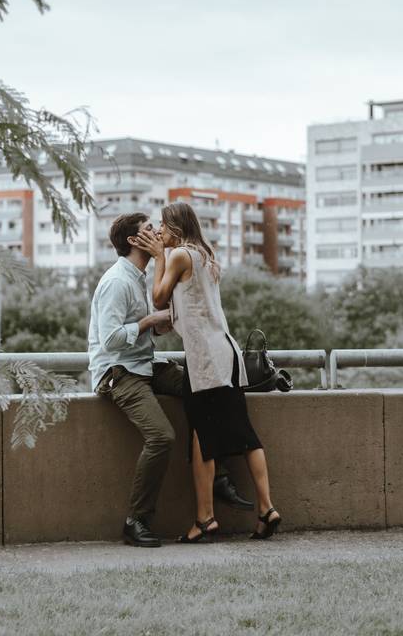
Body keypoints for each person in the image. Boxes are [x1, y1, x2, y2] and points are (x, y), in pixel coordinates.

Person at [87, 213, 252, 548]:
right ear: (134, 241)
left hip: (144, 364)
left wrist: (165, 322)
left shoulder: (143, 275)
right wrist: (150, 321)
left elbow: (156, 325)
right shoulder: (117, 281)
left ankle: (217, 475)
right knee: (162, 437)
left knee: (200, 389)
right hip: (118, 372)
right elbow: (110, 341)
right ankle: (136, 520)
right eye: (149, 228)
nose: (158, 231)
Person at [135, 202, 282, 543]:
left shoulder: (179, 256)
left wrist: (158, 257)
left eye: (162, 225)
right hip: (226, 353)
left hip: (205, 360)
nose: (158, 231)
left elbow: (158, 299)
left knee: (203, 437)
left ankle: (204, 520)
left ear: (175, 226)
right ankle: (266, 510)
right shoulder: (205, 252)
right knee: (242, 435)